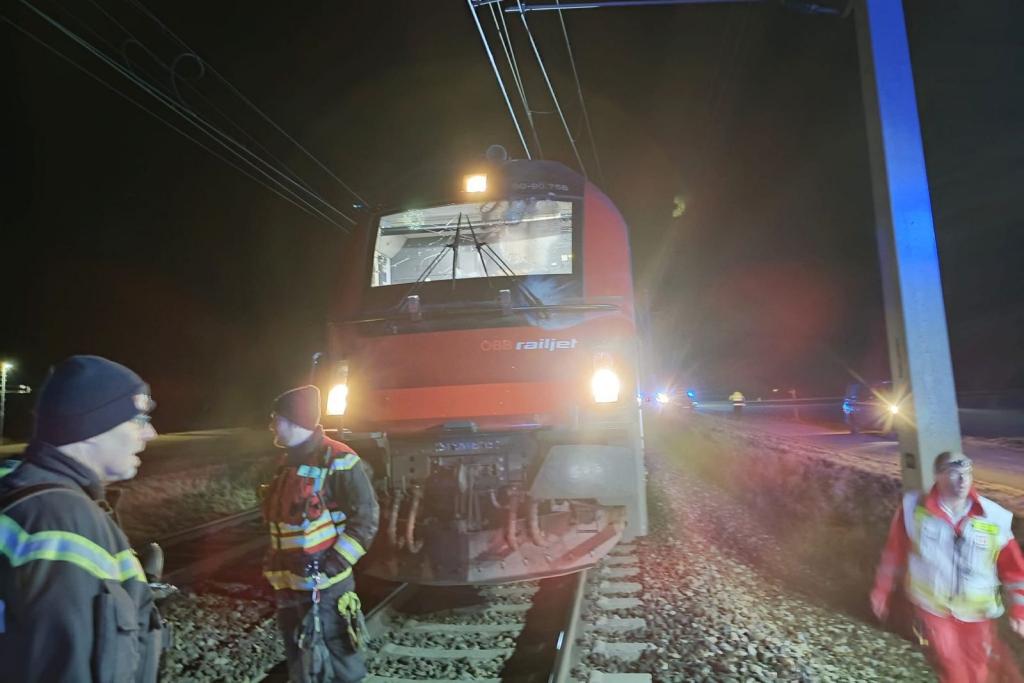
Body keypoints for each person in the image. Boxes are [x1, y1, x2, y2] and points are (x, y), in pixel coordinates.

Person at [0, 355, 163, 682]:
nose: (151, 435)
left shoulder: (22, 490)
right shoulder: (62, 521)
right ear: (90, 426)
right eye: (138, 421)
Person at [871, 451, 1024, 683]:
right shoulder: (913, 510)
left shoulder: (993, 517)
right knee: (953, 666)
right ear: (938, 476)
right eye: (954, 473)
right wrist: (881, 591)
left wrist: (1019, 609)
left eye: (967, 473)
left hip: (977, 614)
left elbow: (1014, 570)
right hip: (934, 611)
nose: (962, 480)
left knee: (978, 667)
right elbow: (894, 553)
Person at [263, 385, 380, 683]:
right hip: (289, 583)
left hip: (327, 586)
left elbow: (366, 518)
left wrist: (335, 563)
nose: (271, 425)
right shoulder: (287, 462)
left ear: (293, 421)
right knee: (301, 658)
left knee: (341, 657)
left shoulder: (339, 459)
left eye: (276, 418)